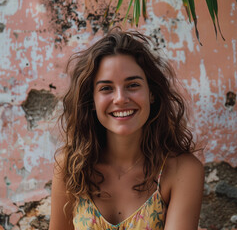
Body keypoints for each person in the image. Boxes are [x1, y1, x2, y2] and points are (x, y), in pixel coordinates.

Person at [49, 28, 204, 230]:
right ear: (92, 101)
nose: (121, 98)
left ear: (152, 93)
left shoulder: (181, 170)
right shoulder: (71, 167)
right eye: (106, 88)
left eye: (132, 85)